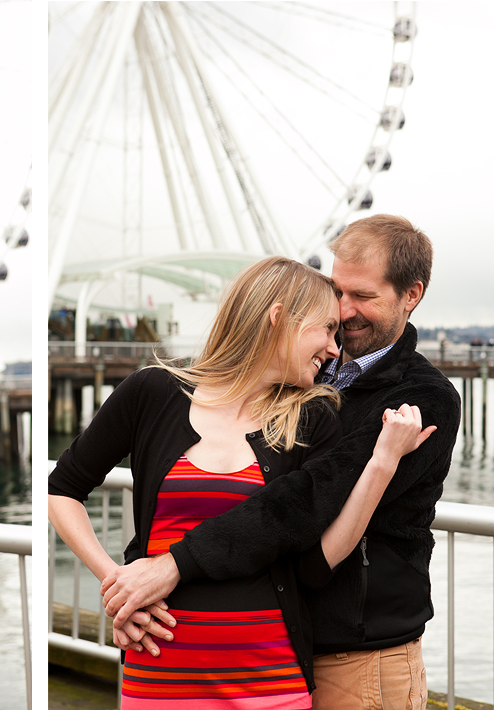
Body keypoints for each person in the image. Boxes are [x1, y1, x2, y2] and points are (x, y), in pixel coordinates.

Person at [100, 216, 461, 709]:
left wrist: (171, 566)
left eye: (365, 296)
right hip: (282, 646)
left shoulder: (423, 400)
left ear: (411, 294)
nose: (346, 309)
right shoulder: (305, 374)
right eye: (338, 291)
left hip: (359, 651)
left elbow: (307, 498)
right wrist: (130, 581)